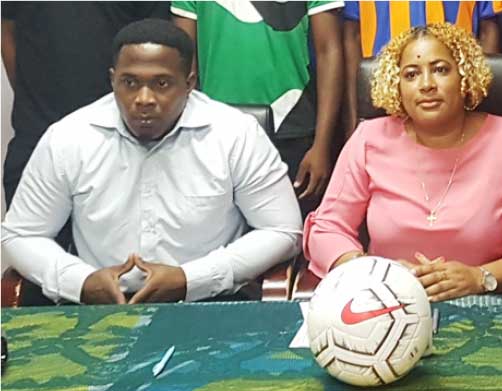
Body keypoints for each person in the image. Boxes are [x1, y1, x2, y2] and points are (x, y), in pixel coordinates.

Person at [1, 19, 303, 305]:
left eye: (161, 83)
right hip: (99, 311)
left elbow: (282, 230)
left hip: (209, 304)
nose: (144, 98)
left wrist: (191, 279)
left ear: (189, 83)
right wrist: (81, 281)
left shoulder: (235, 134)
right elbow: (22, 234)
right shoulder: (68, 138)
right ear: (112, 80)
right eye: (129, 82)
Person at [304, 23, 502, 301]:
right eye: (411, 74)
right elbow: (327, 229)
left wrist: (480, 277)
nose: (427, 84)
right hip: (386, 306)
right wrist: (374, 272)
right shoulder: (369, 139)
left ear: (464, 76)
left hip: (488, 306)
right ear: (396, 85)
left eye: (441, 69)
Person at [1, 2, 169, 247]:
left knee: (122, 270)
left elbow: (157, 50)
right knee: (32, 260)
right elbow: (8, 30)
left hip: (119, 144)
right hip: (36, 135)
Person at [171, 1, 344, 217]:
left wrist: (322, 145)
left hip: (291, 127)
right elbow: (181, 60)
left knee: (288, 235)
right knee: (213, 237)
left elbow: (329, 51)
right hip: (213, 133)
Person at [341, 1, 502, 137]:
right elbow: (352, 36)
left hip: (457, 107)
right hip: (382, 102)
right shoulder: (366, 139)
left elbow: (488, 31)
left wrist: (479, 94)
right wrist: (353, 116)